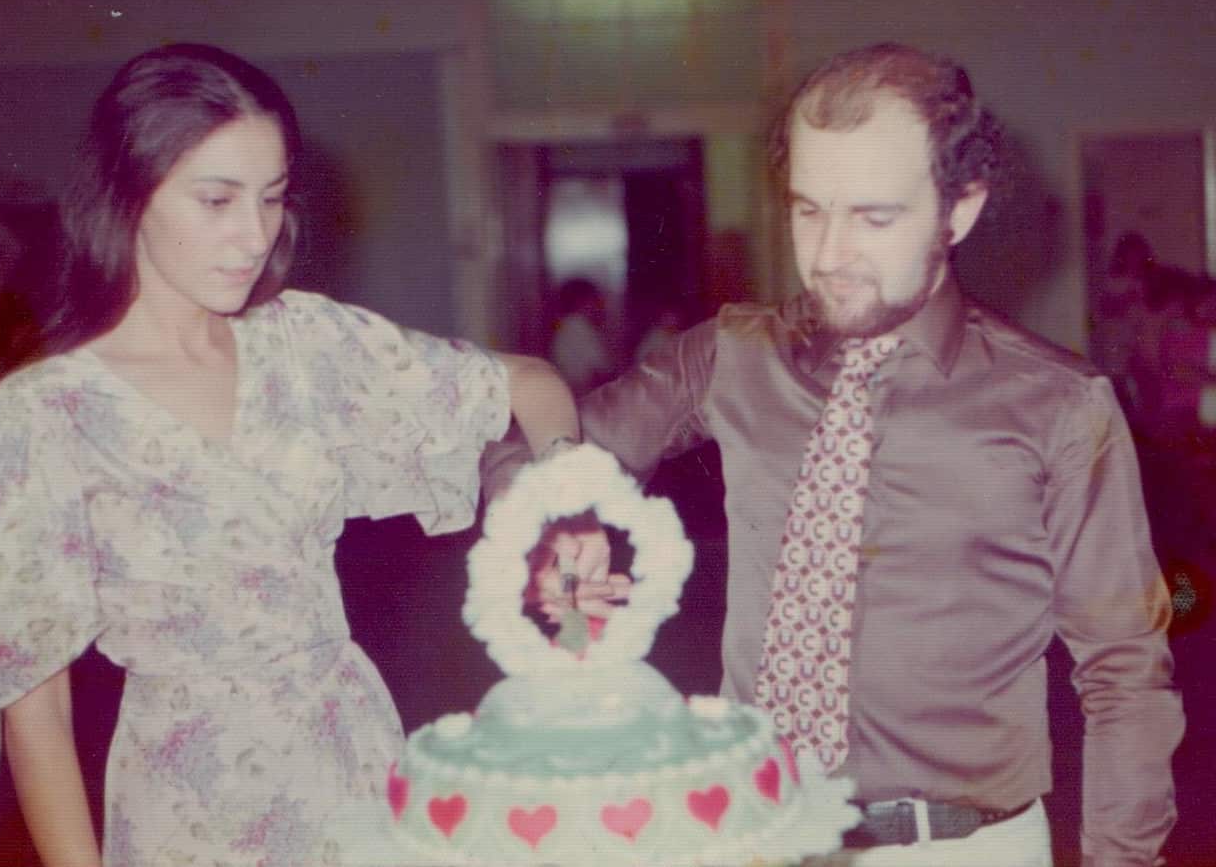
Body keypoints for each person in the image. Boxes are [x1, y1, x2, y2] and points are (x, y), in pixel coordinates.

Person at [492, 42, 1182, 866]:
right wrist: (556, 518)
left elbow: (1125, 675)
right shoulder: (734, 354)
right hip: (756, 831)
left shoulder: (1060, 408)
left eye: (873, 217)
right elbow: (533, 457)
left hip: (959, 850)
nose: (827, 254)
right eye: (808, 209)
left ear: (959, 208)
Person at [0, 43, 581, 867]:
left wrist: (566, 511)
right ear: (129, 193)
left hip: (351, 765)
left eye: (272, 199)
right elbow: (35, 705)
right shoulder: (46, 413)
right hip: (187, 805)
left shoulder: (306, 345)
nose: (253, 236)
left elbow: (528, 384)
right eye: (216, 199)